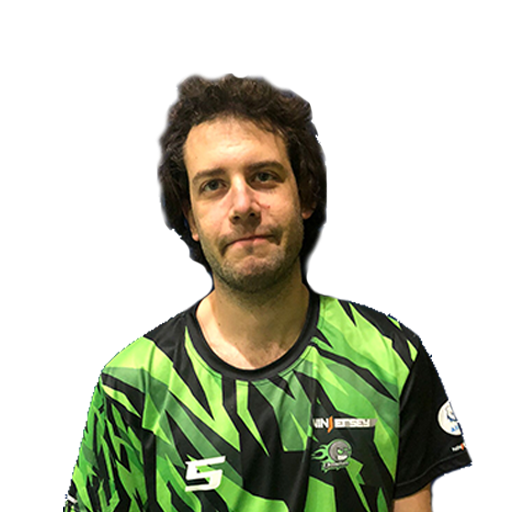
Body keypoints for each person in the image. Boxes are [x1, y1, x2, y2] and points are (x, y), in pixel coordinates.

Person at [66, 72, 470, 512]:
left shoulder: (391, 360)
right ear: (192, 219)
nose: (242, 205)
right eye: (213, 185)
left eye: (263, 176)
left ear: (306, 195)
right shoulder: (133, 387)